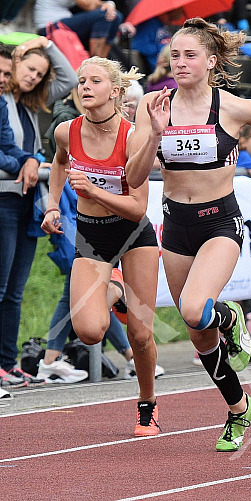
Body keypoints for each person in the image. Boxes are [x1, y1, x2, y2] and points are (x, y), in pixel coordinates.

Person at [127, 17, 251, 452]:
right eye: (175, 55)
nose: (181, 63)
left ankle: (230, 317)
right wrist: (154, 133)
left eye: (190, 56)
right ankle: (239, 407)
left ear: (210, 62)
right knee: (198, 334)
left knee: (193, 309)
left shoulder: (231, 107)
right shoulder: (154, 103)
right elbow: (133, 176)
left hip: (220, 223)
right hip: (176, 225)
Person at [41, 57, 163, 435]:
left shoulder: (133, 136)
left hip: (132, 234)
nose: (85, 87)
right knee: (91, 330)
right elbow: (59, 163)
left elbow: (137, 207)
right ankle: (115, 288)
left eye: (95, 80)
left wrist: (92, 189)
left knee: (140, 336)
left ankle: (147, 403)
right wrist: (52, 204)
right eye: (81, 81)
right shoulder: (66, 131)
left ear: (115, 90)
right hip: (91, 234)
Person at [1, 37, 76, 388]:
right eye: (30, 69)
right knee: (2, 288)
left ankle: (7, 362)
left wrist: (46, 45)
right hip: (4, 200)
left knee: (15, 291)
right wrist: (26, 160)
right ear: (14, 63)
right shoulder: (2, 99)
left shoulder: (31, 102)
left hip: (26, 202)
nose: (34, 77)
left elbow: (69, 80)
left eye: (40, 73)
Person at [33, 0, 123, 58]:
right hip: (49, 28)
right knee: (103, 16)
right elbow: (88, 5)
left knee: (116, 16)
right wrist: (106, 5)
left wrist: (110, 4)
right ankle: (95, 64)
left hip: (63, 22)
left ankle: (102, 64)